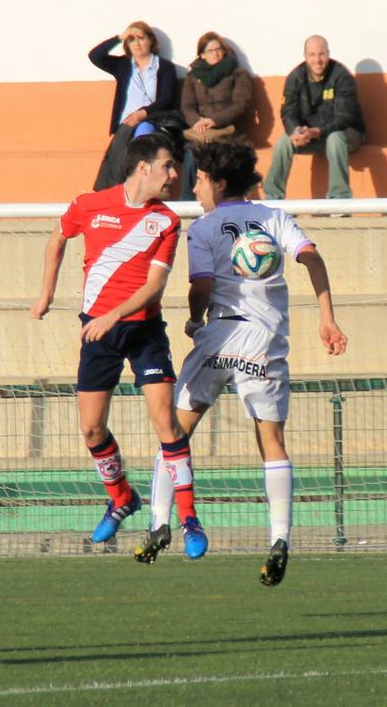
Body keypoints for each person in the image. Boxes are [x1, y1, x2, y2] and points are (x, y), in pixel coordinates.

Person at [134, 139, 347, 584]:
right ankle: (280, 537)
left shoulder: (205, 227)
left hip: (218, 337)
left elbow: (202, 286)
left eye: (200, 178)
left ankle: (158, 522)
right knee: (271, 441)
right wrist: (327, 318)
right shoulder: (275, 218)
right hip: (264, 342)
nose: (194, 186)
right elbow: (312, 258)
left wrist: (194, 320)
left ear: (218, 181)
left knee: (174, 432)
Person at [30, 132, 207, 557]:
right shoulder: (88, 205)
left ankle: (189, 519)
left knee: (167, 423)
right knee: (91, 428)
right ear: (142, 167)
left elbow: (156, 285)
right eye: (168, 165)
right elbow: (57, 239)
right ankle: (123, 497)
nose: (174, 174)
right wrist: (46, 294)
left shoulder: (165, 220)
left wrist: (113, 315)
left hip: (142, 331)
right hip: (98, 333)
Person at [263, 35, 366, 203]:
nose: (317, 60)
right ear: (305, 56)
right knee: (284, 141)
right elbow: (288, 112)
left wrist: (316, 131)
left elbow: (344, 118)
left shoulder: (342, 76)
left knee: (334, 139)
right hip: (311, 136)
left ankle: (339, 201)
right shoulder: (295, 77)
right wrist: (296, 131)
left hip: (347, 135)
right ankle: (273, 199)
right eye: (312, 55)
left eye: (321, 54)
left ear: (328, 54)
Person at [88, 22, 184, 191]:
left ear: (151, 41)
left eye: (141, 38)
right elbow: (95, 56)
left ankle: (141, 188)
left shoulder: (164, 67)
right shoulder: (123, 66)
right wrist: (119, 37)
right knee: (117, 162)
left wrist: (143, 113)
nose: (137, 43)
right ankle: (121, 193)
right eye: (132, 39)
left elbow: (166, 99)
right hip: (125, 126)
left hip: (152, 121)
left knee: (141, 143)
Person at [179, 31, 252, 200]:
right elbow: (187, 106)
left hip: (227, 131)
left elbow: (241, 104)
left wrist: (214, 120)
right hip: (200, 131)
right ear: (202, 55)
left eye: (218, 49)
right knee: (191, 152)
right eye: (210, 51)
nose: (215, 53)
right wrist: (197, 122)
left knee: (219, 153)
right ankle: (186, 200)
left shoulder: (237, 73)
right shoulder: (193, 76)